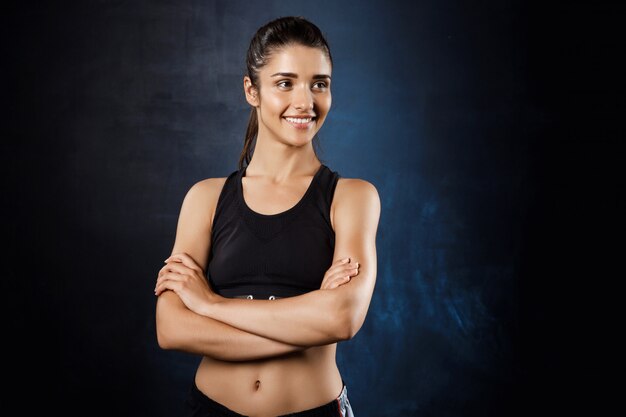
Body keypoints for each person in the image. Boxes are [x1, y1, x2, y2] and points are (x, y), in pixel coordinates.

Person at [154, 15, 380, 417]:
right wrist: (309, 323)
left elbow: (342, 317)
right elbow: (171, 329)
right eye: (285, 83)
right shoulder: (205, 198)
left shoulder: (352, 197)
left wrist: (210, 305)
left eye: (319, 84)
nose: (305, 102)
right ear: (251, 91)